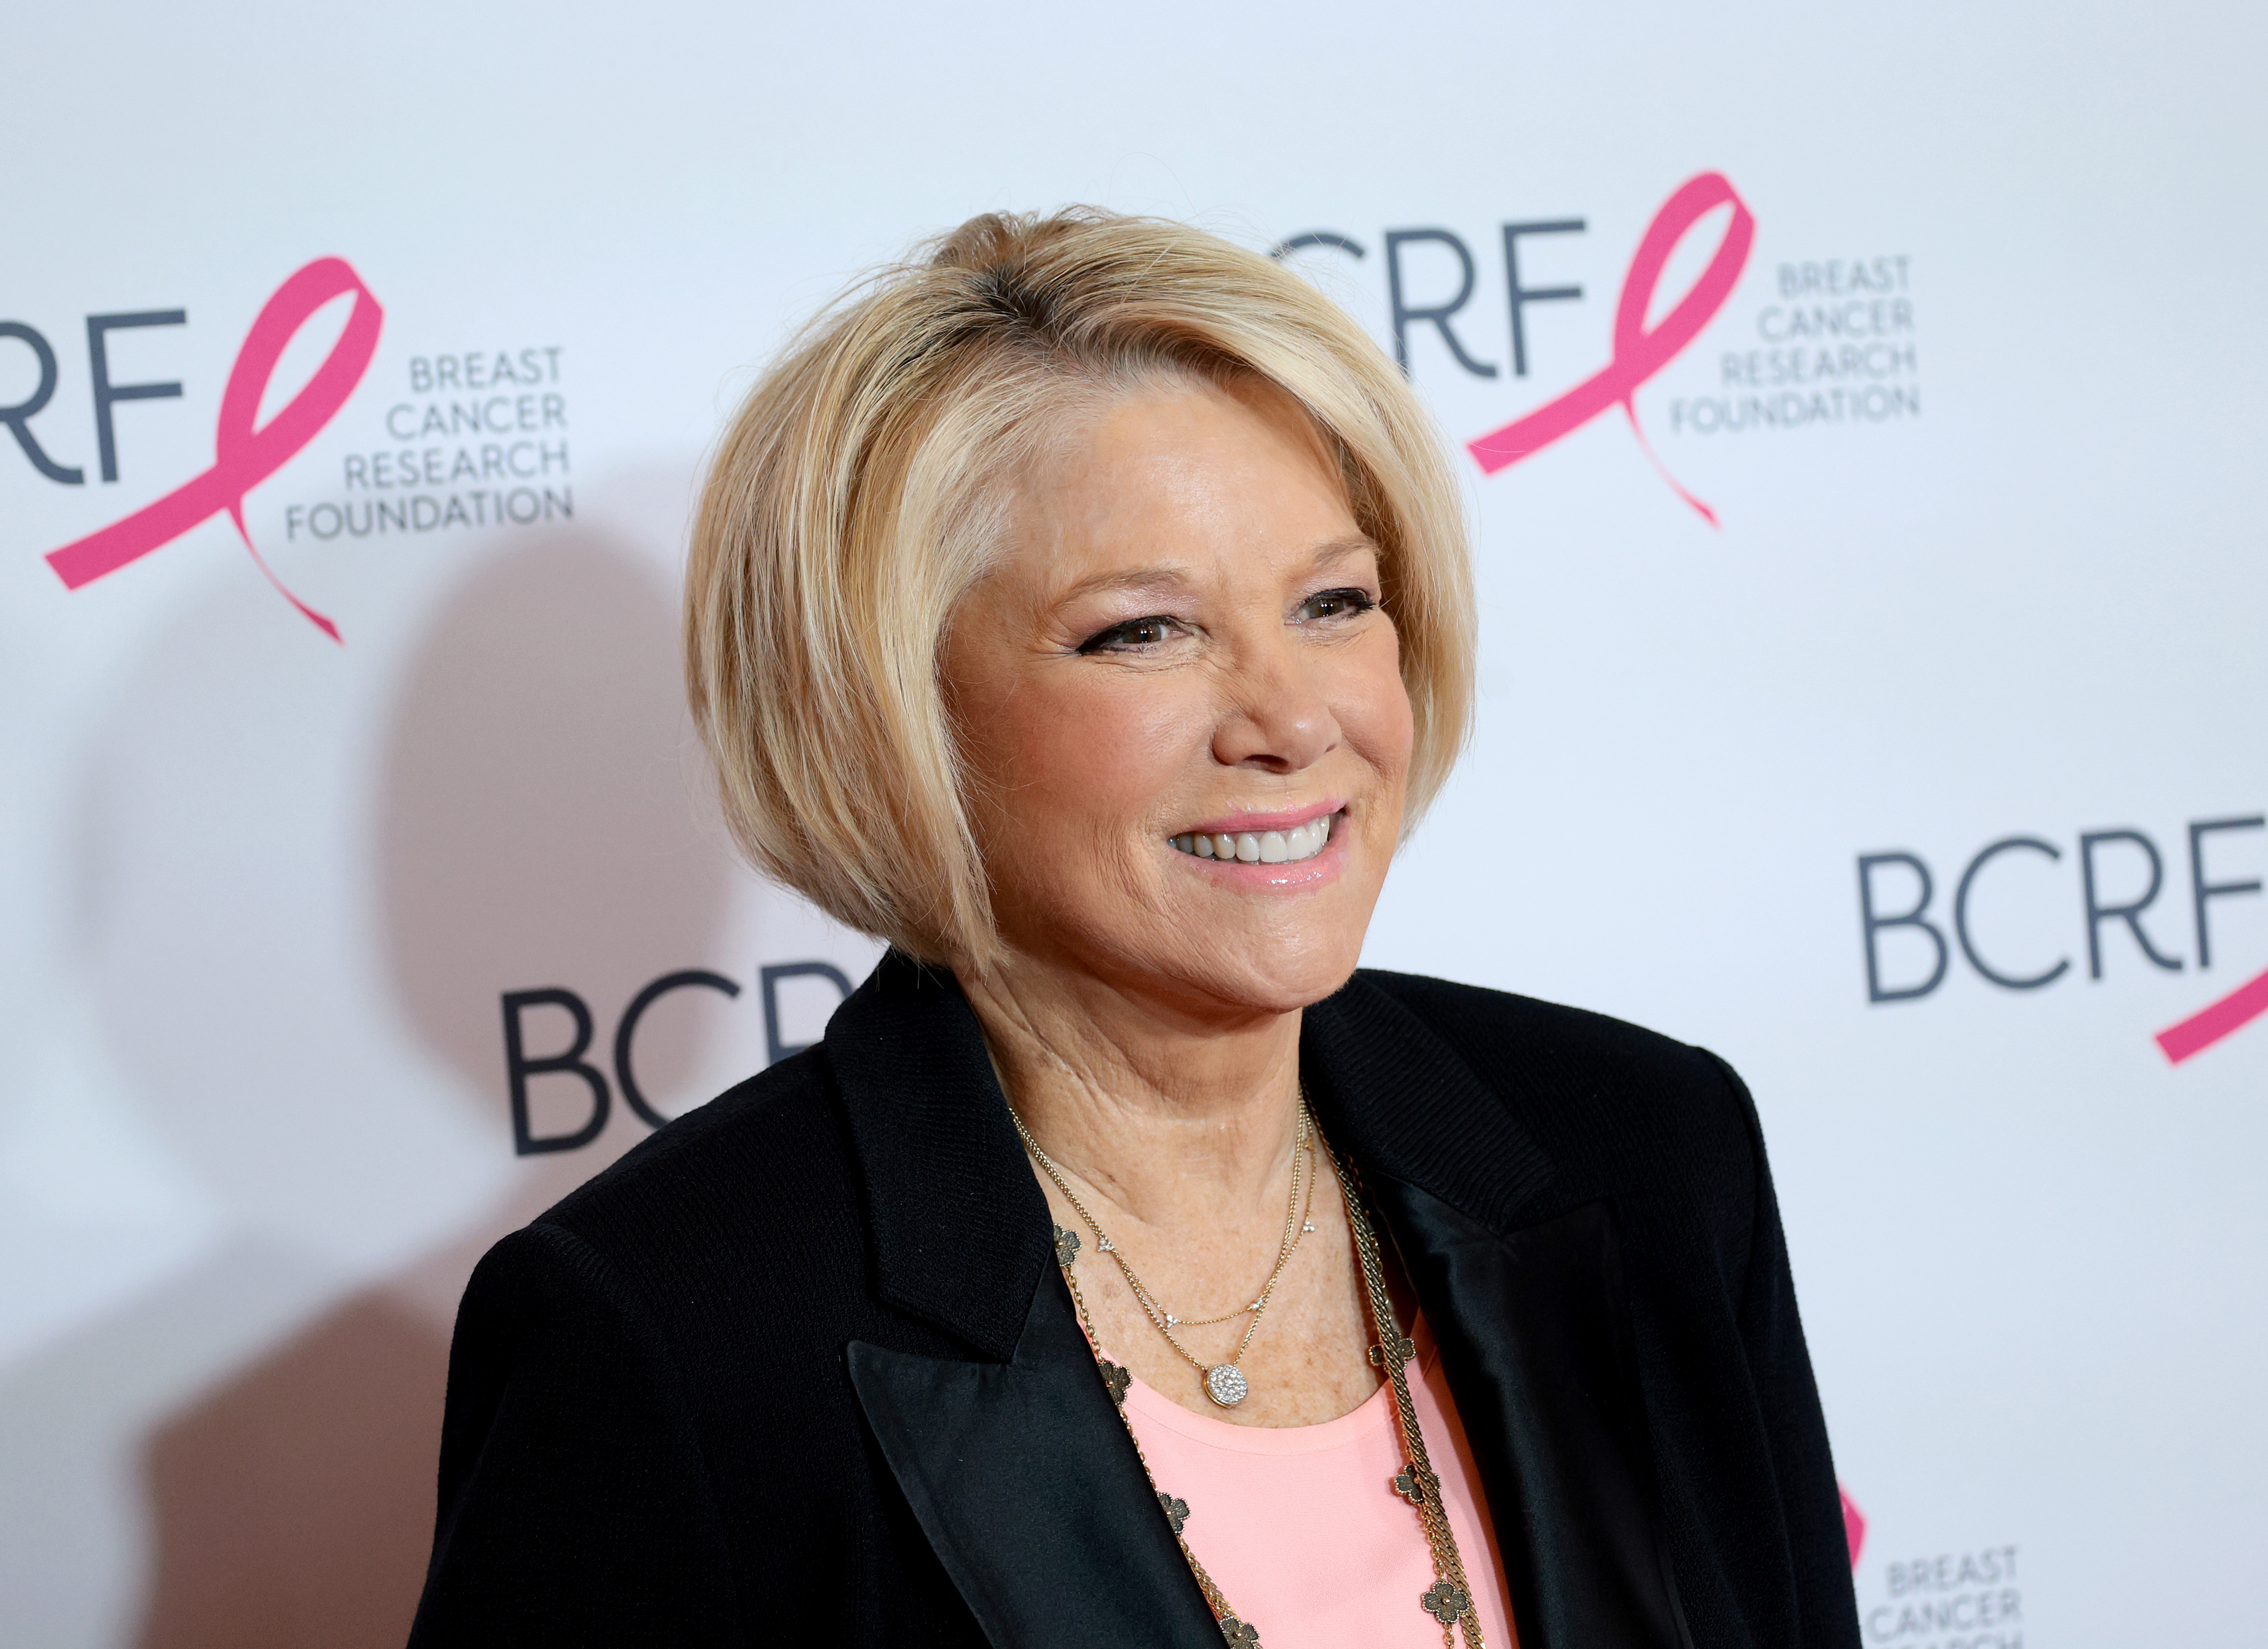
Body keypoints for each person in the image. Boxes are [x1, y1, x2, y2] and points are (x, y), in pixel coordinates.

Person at [407, 207, 1859, 1649]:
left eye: (1335, 603)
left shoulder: (1654, 1149)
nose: (1296, 720)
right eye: (1143, 633)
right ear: (891, 714)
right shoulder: (676, 1336)